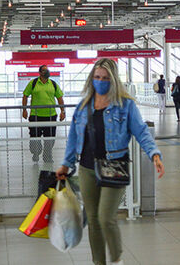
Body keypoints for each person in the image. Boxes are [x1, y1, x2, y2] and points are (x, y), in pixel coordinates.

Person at [56, 58, 164, 265]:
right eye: (97, 77)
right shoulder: (83, 106)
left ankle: (116, 260)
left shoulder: (125, 105)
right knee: (93, 220)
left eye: (105, 78)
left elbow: (141, 131)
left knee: (106, 217)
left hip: (115, 166)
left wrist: (154, 155)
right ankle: (99, 262)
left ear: (113, 80)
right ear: (91, 79)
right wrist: (66, 163)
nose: (100, 81)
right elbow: (73, 138)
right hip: (87, 167)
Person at [22, 65, 66, 163]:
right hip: (35, 116)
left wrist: (62, 111)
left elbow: (60, 98)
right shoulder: (33, 83)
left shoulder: (53, 84)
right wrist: (24, 110)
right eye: (44, 70)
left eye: (47, 70)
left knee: (49, 138)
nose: (47, 71)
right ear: (40, 72)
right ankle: (36, 152)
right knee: (34, 136)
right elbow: (25, 95)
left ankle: (47, 156)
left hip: (50, 115)